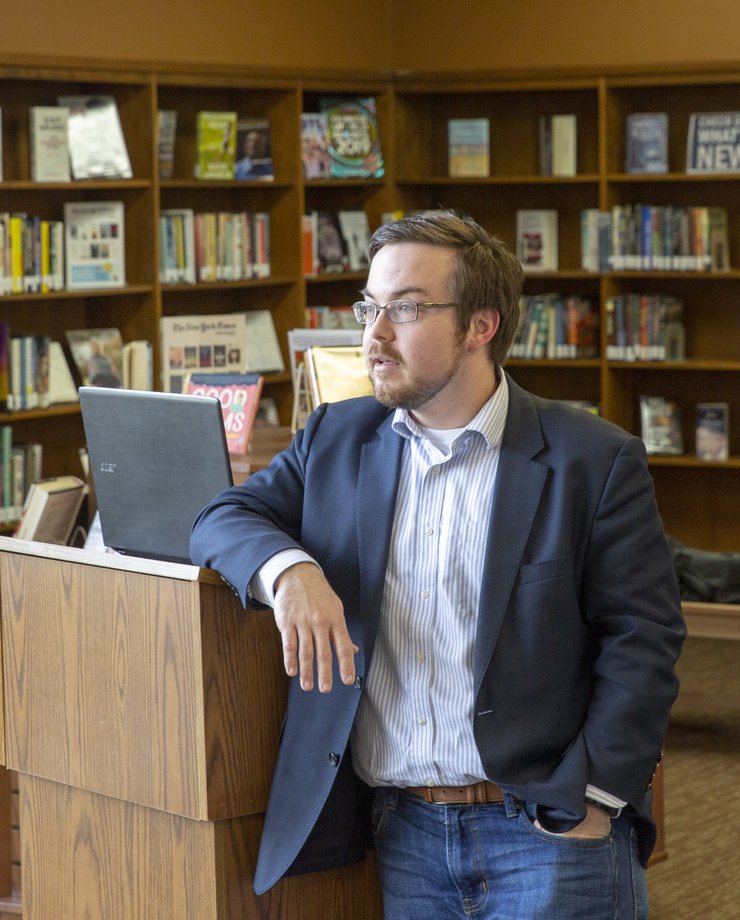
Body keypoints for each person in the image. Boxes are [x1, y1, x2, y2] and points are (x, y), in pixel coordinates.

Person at [190, 211, 686, 918]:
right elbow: (220, 517)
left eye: (407, 309)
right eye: (369, 307)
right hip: (404, 833)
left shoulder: (593, 460)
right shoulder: (338, 437)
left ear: (480, 326)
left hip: (547, 833)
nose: (374, 335)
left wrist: (595, 799)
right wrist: (290, 572)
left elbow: (644, 639)